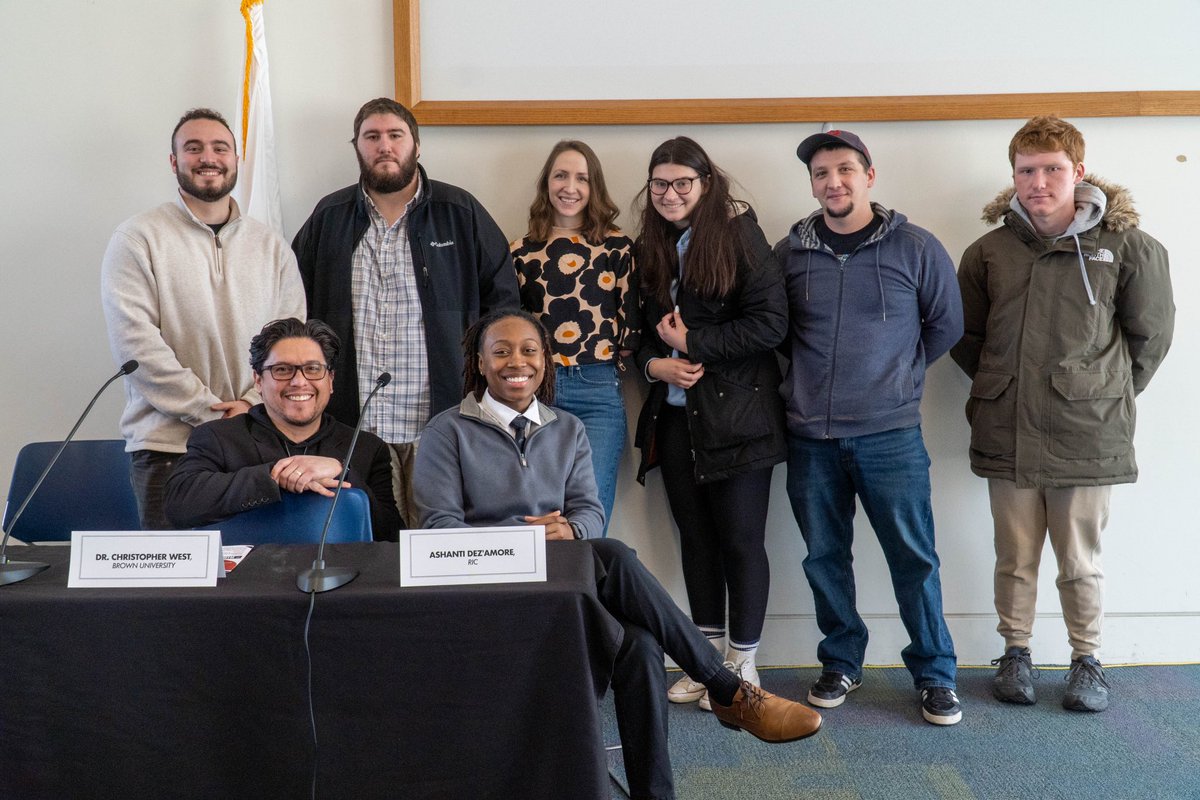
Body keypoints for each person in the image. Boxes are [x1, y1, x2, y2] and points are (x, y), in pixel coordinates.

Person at [413, 310, 821, 800]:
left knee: (643, 646)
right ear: (480, 363)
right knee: (613, 552)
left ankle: (656, 793)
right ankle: (726, 686)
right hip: (489, 592)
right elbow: (438, 527)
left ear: (546, 360)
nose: (514, 361)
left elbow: (587, 510)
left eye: (528, 350)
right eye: (500, 351)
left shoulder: (567, 428)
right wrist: (521, 539)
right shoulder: (446, 431)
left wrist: (569, 528)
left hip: (561, 587)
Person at [951, 116, 1174, 712]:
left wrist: (1099, 393)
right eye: (1027, 170)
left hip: (1088, 432)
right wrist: (1004, 387)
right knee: (1015, 556)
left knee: (1080, 560)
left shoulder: (1128, 246)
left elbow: (1149, 340)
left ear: (1078, 172)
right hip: (1009, 428)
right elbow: (964, 337)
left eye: (1052, 169)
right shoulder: (988, 252)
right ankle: (1016, 652)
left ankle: (1087, 659)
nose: (1039, 182)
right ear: (1014, 176)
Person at [774, 130, 964, 725]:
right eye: (822, 173)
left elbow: (947, 326)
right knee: (824, 557)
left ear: (870, 175)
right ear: (812, 184)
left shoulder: (916, 246)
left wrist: (900, 377)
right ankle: (841, 662)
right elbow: (774, 333)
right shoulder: (790, 254)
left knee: (914, 557)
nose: (835, 181)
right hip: (811, 438)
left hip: (891, 436)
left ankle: (935, 673)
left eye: (846, 169)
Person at [292, 97, 519, 530]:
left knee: (441, 546)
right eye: (372, 137)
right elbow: (292, 304)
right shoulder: (329, 217)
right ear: (356, 146)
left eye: (395, 135)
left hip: (440, 423)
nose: (384, 146)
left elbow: (504, 305)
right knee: (368, 550)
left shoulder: (460, 212)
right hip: (352, 426)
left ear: (416, 143)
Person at [632, 137, 788, 712]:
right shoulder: (651, 242)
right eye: (659, 184)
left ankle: (742, 664)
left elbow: (771, 324)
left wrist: (694, 342)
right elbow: (636, 332)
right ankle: (705, 664)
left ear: (705, 184)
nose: (670, 194)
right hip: (674, 422)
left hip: (740, 417)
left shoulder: (741, 236)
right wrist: (655, 361)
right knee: (696, 542)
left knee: (741, 541)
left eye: (682, 183)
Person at [101, 108, 306, 530]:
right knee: (173, 588)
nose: (207, 157)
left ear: (236, 160)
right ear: (174, 162)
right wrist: (207, 411)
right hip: (169, 449)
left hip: (258, 445)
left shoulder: (272, 246)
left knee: (260, 584)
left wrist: (249, 406)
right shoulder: (137, 238)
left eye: (220, 148)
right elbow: (135, 346)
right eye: (192, 148)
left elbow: (292, 342)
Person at [163, 318, 401, 541]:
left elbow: (391, 536)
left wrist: (343, 472)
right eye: (283, 370)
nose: (299, 381)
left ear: (330, 380)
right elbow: (179, 504)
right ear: (258, 380)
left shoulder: (366, 447)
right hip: (248, 579)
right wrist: (274, 477)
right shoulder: (218, 437)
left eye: (313, 369)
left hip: (341, 576)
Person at [510, 140, 637, 536]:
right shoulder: (520, 252)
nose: (570, 186)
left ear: (594, 186)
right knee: (537, 515)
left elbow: (631, 325)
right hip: (535, 392)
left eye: (582, 178)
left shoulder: (617, 248)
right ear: (546, 183)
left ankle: (588, 596)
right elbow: (508, 329)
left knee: (588, 516)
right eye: (561, 175)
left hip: (597, 389)